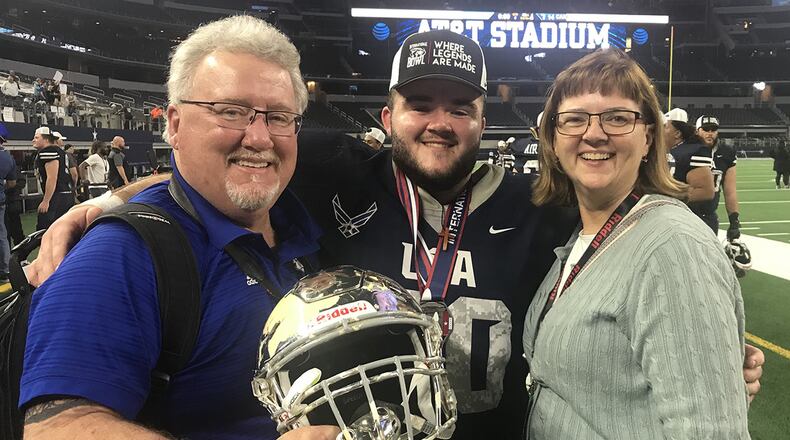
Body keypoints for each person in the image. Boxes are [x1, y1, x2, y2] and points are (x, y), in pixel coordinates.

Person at [24, 30, 767, 439]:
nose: (438, 121)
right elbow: (233, 162)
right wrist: (110, 198)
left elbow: (639, 259)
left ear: (485, 118)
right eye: (420, 103)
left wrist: (704, 353)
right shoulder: (337, 175)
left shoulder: (544, 204)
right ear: (388, 116)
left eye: (459, 105)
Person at [20, 16, 334, 440]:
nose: (260, 138)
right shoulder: (123, 253)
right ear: (175, 124)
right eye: (231, 111)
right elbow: (58, 428)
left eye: (278, 117)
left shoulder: (302, 221)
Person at [523, 49, 749, 438]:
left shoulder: (672, 248)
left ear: (648, 138)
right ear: (554, 142)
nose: (593, 133)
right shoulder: (583, 234)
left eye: (617, 118)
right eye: (575, 119)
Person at [695, 115, 742, 238]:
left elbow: (730, 191)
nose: (710, 133)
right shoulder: (689, 150)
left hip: (709, 215)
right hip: (687, 213)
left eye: (713, 130)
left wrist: (734, 220)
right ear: (697, 131)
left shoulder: (726, 153)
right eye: (705, 129)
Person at [663, 107, 715, 206]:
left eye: (665, 127)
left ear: (677, 133)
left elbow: (705, 192)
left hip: (688, 216)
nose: (660, 130)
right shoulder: (669, 150)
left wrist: (667, 198)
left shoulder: (694, 151)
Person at [31, 126, 74, 230]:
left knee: (45, 231)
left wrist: (46, 201)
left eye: (37, 137)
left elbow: (52, 177)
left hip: (57, 197)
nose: (33, 140)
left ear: (46, 139)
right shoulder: (59, 151)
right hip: (65, 194)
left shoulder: (48, 151)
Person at [0, 129, 17, 281]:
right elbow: (11, 183)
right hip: (1, 200)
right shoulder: (8, 158)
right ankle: (5, 270)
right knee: (2, 235)